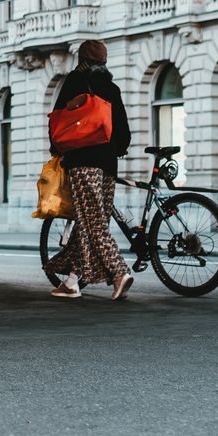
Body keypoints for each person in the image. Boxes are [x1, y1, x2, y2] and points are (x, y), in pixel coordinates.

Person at [45, 39, 133, 301]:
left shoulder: (73, 84)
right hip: (108, 166)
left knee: (92, 223)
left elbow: (58, 124)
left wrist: (58, 149)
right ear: (105, 63)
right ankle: (72, 281)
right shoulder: (112, 89)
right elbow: (124, 134)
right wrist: (114, 149)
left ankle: (119, 272)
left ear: (81, 60)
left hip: (83, 163)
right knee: (92, 220)